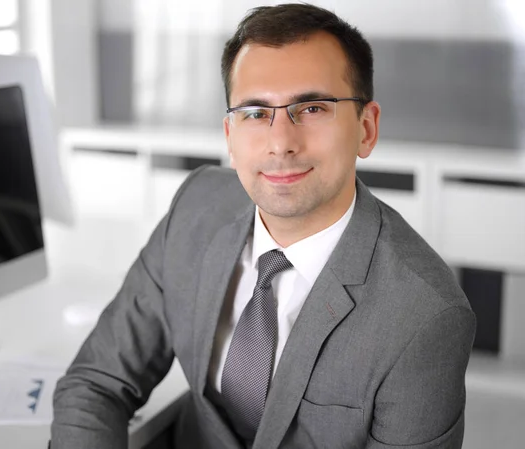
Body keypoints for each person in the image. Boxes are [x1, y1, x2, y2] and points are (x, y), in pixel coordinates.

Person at [51, 4, 476, 449]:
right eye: (255, 113)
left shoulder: (425, 317)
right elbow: (96, 382)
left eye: (312, 108)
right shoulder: (195, 209)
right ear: (229, 137)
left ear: (366, 129)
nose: (281, 143)